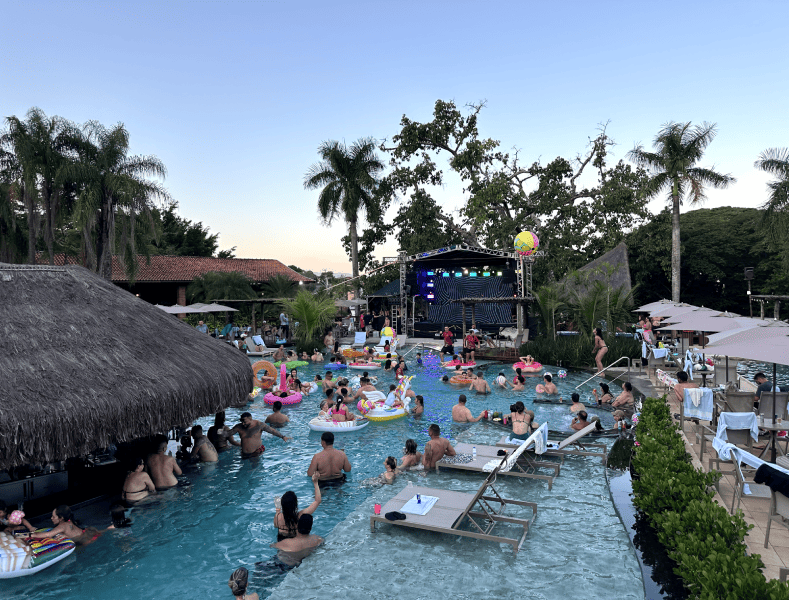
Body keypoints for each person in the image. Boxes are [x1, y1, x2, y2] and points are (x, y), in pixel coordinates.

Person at [274, 473, 322, 540]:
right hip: (296, 543)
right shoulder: (300, 516)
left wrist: (278, 508)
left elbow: (276, 525)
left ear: (282, 505)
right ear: (295, 505)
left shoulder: (278, 517)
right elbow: (317, 501)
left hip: (281, 544)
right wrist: (315, 482)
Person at [29, 505, 100, 545]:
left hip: (83, 541)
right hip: (88, 532)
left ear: (61, 518)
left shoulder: (62, 526)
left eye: (53, 517)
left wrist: (29, 535)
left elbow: (48, 535)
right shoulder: (69, 521)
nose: (51, 518)